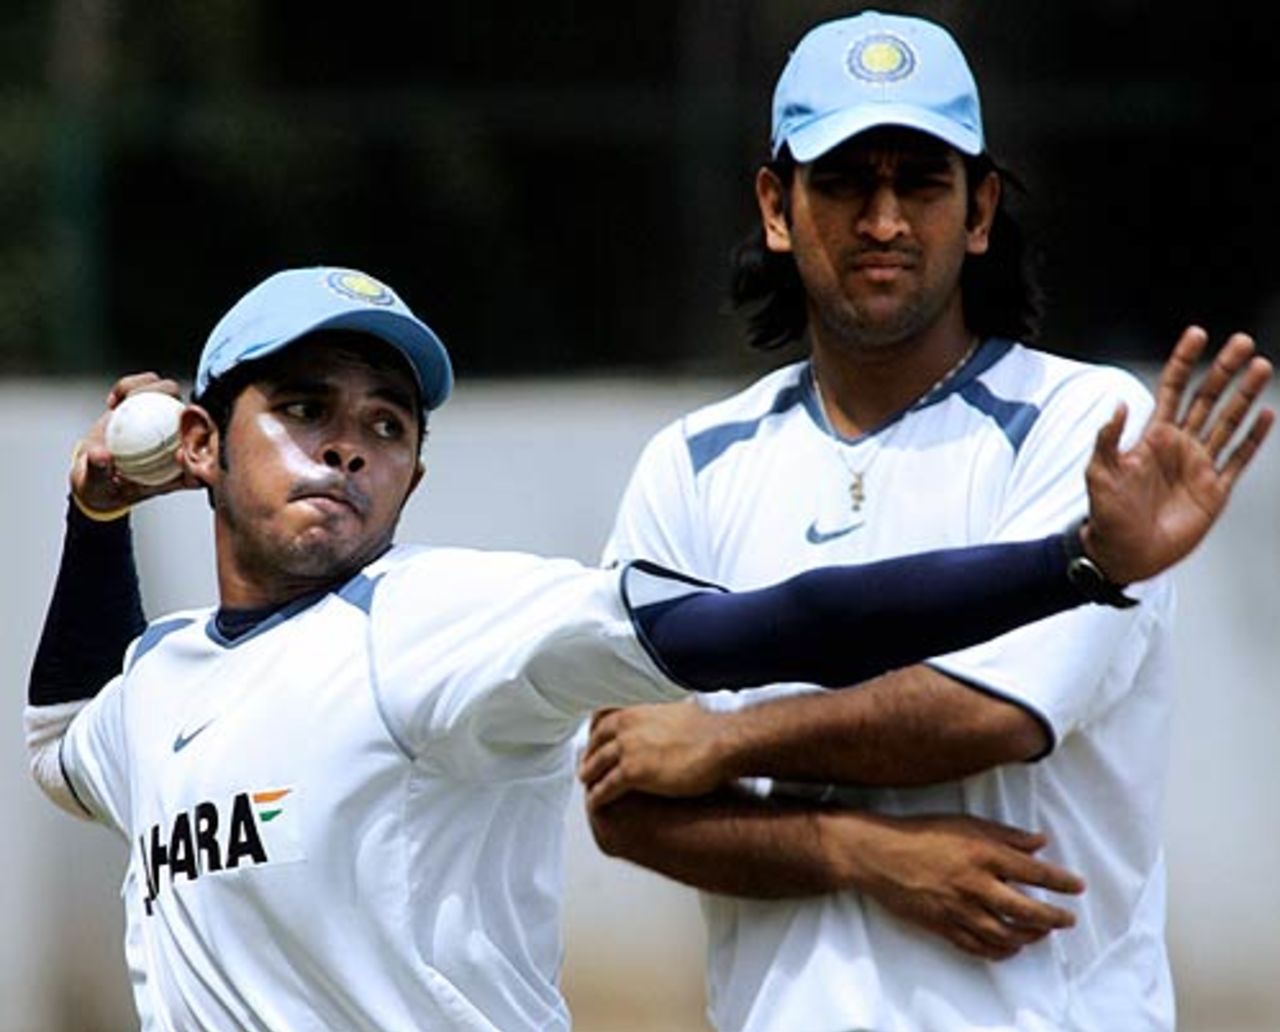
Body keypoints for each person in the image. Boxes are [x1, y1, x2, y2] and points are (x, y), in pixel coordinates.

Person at [23, 265, 1265, 1032]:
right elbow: (62, 739)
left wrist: (1069, 565)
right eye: (301, 409)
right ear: (199, 445)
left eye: (386, 425)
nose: (347, 446)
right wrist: (94, 517)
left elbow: (780, 622)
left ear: (414, 475)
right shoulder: (163, 681)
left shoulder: (435, 624)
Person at [579, 10, 1273, 1032]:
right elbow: (626, 800)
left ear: (979, 209)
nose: (884, 221)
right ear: (775, 206)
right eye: (842, 183)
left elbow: (990, 715)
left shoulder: (1080, 422)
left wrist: (723, 745)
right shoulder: (692, 462)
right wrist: (858, 853)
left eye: (921, 182)